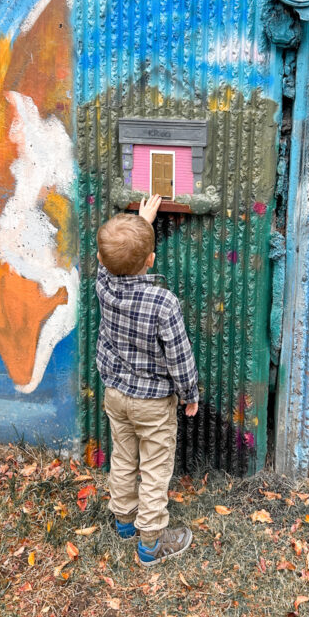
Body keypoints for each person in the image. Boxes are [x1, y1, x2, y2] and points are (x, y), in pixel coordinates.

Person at [95, 193, 199, 566]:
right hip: (153, 402)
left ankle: (124, 521)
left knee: (123, 457)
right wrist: (190, 392)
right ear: (152, 260)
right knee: (154, 468)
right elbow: (179, 354)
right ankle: (151, 542)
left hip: (116, 394)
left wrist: (142, 222)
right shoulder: (163, 303)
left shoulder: (103, 285)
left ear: (99, 260)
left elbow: (111, 263)